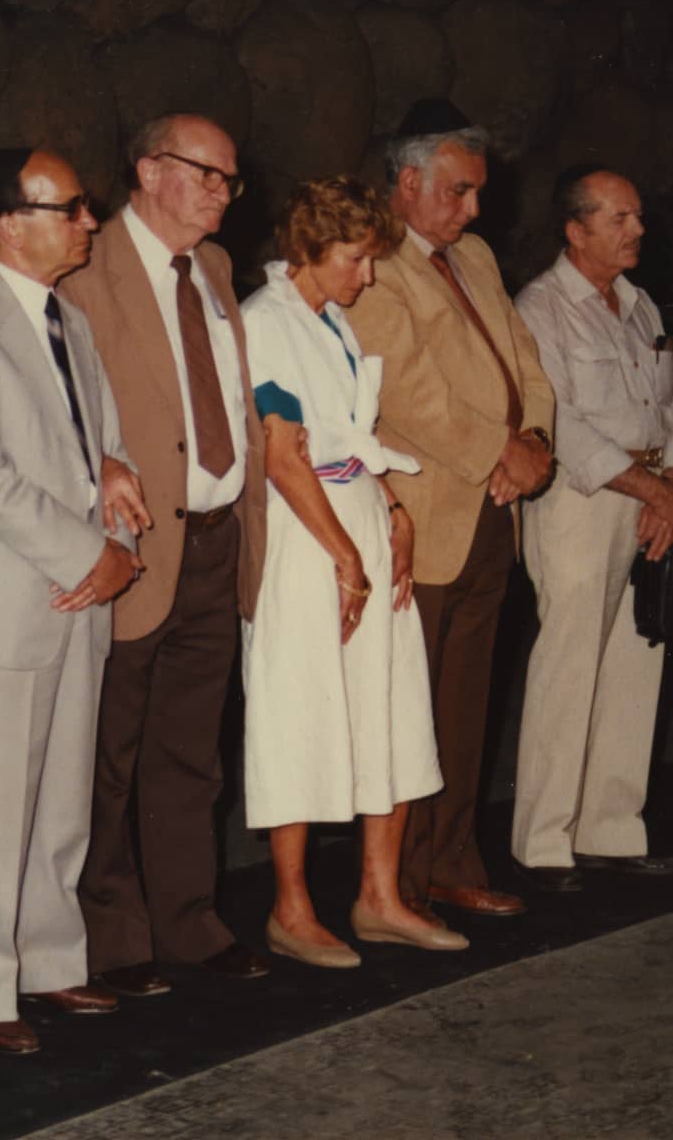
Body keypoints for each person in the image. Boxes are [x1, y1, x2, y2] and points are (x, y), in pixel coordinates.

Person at [0, 149, 150, 1053]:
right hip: (6, 597)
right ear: (9, 222)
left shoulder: (71, 323)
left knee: (61, 799)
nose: (89, 222)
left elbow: (111, 455)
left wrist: (117, 551)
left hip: (80, 592)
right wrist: (90, 551)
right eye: (72, 208)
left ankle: (51, 962)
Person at [58, 113, 270, 994]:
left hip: (215, 539)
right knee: (110, 750)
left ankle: (189, 921)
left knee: (190, 747)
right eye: (206, 173)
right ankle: (111, 934)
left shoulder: (214, 270)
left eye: (230, 177)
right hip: (135, 545)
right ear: (148, 171)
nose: (223, 191)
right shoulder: (82, 275)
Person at [240, 176, 468, 967]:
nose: (364, 276)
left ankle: (379, 897)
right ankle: (290, 909)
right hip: (308, 541)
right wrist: (345, 557)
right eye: (353, 259)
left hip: (361, 515)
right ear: (307, 251)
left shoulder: (330, 320)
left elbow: (350, 440)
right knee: (300, 709)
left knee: (393, 704)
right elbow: (282, 454)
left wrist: (394, 517)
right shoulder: (265, 322)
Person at [346, 98, 556, 922]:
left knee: (465, 703)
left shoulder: (475, 260)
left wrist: (534, 438)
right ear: (407, 182)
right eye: (460, 192)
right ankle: (393, 879)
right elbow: (406, 392)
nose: (474, 211)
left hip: (491, 516)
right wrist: (495, 452)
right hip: (427, 515)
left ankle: (452, 859)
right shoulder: (376, 264)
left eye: (475, 195)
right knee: (410, 709)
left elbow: (528, 363)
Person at [509, 165, 673, 890]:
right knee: (569, 665)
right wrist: (653, 485)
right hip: (580, 506)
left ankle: (611, 829)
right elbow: (562, 424)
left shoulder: (641, 304)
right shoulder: (542, 308)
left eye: (638, 216)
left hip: (649, 501)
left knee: (634, 662)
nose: (638, 231)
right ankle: (544, 842)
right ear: (576, 230)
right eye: (620, 218)